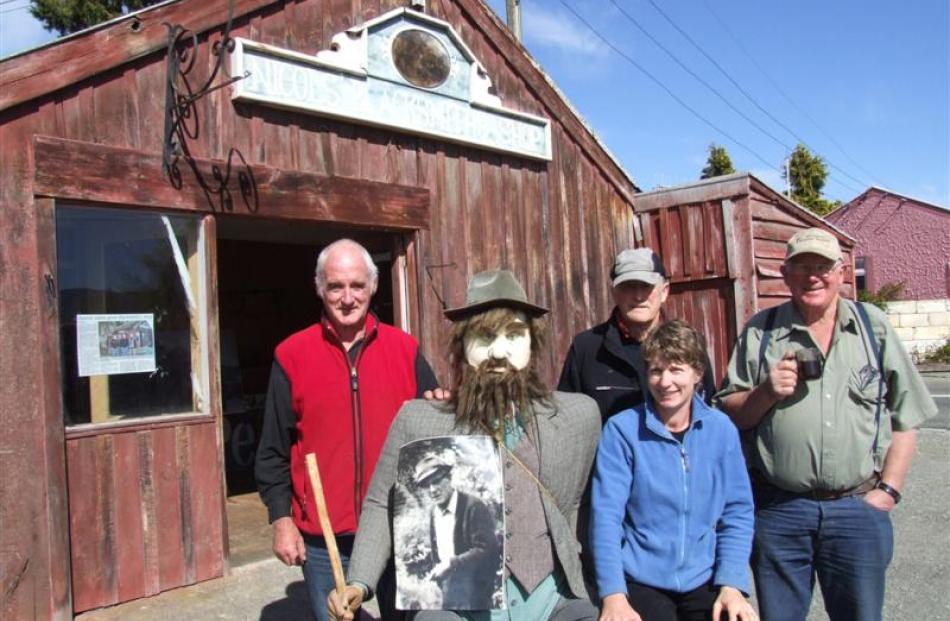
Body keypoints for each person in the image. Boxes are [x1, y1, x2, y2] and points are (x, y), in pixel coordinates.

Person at [328, 269, 602, 621]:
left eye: (515, 335)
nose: (499, 351)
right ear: (461, 346)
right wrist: (360, 582)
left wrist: (612, 590)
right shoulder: (419, 420)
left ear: (533, 343)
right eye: (484, 337)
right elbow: (383, 502)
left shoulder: (579, 417)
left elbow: (596, 505)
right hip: (458, 606)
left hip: (553, 599)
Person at [716, 228, 938, 621]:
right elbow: (730, 415)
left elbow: (908, 418)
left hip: (857, 509)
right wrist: (765, 392)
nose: (812, 276)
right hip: (780, 511)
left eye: (822, 266)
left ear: (842, 272)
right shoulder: (760, 330)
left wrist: (888, 491)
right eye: (802, 267)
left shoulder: (874, 327)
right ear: (785, 274)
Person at [255, 238, 439, 621]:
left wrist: (444, 405)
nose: (347, 297)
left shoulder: (405, 350)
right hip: (324, 539)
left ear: (373, 286)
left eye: (357, 285)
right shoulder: (292, 355)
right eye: (336, 286)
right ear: (319, 288)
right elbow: (273, 449)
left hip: (396, 528)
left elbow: (432, 434)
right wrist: (281, 518)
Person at [591, 320, 756, 621]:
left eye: (676, 369)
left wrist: (731, 583)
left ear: (697, 373)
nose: (665, 381)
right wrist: (612, 594)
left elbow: (737, 511)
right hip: (642, 577)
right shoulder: (623, 431)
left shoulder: (721, 431)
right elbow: (606, 517)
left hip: (703, 575)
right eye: (656, 370)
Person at [558, 248, 716, 424]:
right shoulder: (587, 349)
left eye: (646, 287)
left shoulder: (689, 346)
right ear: (614, 293)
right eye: (628, 287)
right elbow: (567, 420)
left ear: (664, 291)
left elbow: (707, 412)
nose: (639, 296)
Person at [412, 453, 502, 609]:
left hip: (475, 596)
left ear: (449, 478)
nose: (433, 489)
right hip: (448, 594)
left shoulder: (473, 506)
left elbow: (488, 550)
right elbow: (437, 553)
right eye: (427, 485)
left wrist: (450, 564)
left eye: (437, 481)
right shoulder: (434, 512)